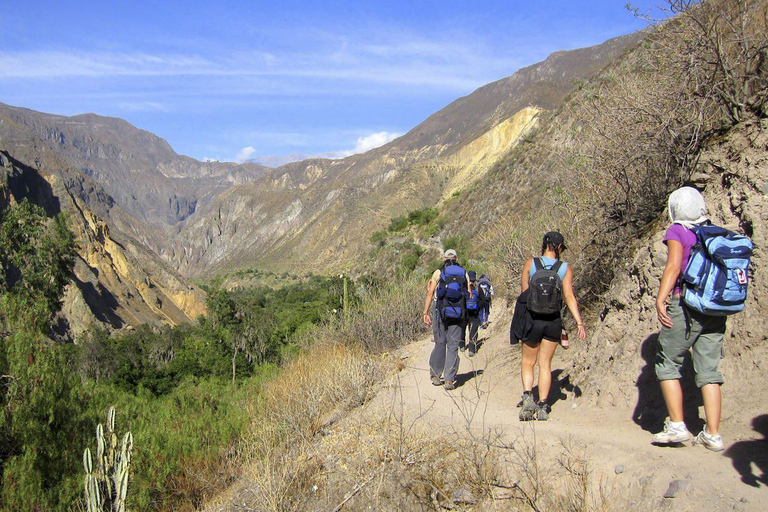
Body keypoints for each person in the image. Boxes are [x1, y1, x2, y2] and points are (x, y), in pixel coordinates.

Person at [653, 187, 727, 451]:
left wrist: (661, 298)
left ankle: (676, 426)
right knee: (709, 369)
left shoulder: (678, 231)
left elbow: (673, 266)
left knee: (668, 362)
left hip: (686, 304)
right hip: (715, 307)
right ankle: (713, 434)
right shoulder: (713, 230)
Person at [518, 231, 586, 421]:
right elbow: (569, 296)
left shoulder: (530, 264)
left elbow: (524, 294)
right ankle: (543, 405)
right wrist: (579, 322)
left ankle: (527, 397)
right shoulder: (565, 268)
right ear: (560, 247)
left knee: (527, 362)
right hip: (553, 321)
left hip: (532, 320)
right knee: (545, 364)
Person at [422, 249, 471, 390]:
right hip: (457, 313)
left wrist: (425, 312)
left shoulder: (439, 272)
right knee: (453, 345)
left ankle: (436, 376)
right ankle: (450, 379)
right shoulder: (464, 273)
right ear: (456, 258)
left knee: (440, 342)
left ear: (444, 259)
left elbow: (430, 293)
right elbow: (468, 294)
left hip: (440, 312)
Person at [465, 271, 484, 357]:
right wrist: (477, 307)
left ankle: (461, 345)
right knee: (474, 329)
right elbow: (483, 301)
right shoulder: (478, 288)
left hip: (465, 312)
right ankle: (471, 349)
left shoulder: (464, 288)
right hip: (475, 312)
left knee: (464, 327)